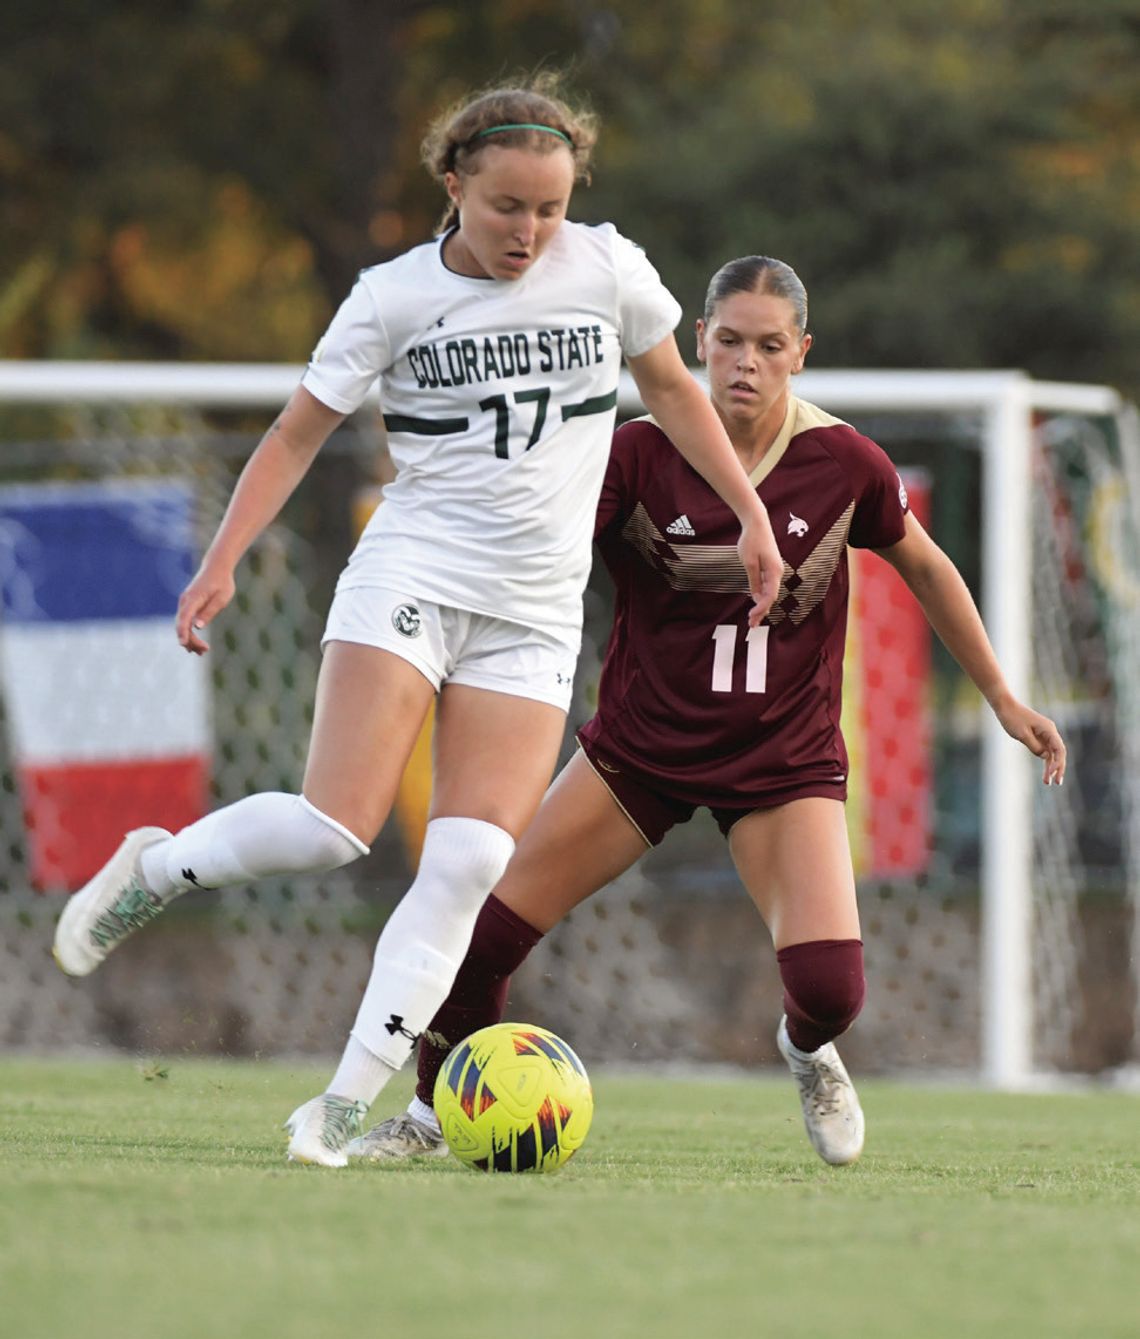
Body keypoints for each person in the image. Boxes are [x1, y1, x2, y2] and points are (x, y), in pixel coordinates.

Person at [51, 77, 784, 1166]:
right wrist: (223, 559)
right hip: (413, 574)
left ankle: (340, 1106)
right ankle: (156, 867)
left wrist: (752, 512)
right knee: (331, 828)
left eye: (549, 207)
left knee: (468, 864)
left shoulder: (609, 270)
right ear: (452, 184)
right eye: (505, 208)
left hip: (533, 614)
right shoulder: (388, 298)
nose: (529, 232)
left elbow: (674, 391)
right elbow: (298, 434)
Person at [347, 254, 1068, 1168]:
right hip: (639, 756)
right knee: (479, 935)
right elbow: (532, 546)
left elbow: (925, 565)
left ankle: (806, 1049)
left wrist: (1002, 694)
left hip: (783, 760)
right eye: (729, 340)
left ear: (801, 352)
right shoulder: (637, 452)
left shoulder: (843, 462)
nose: (747, 363)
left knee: (831, 988)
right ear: (697, 340)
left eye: (770, 345)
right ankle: (426, 1117)